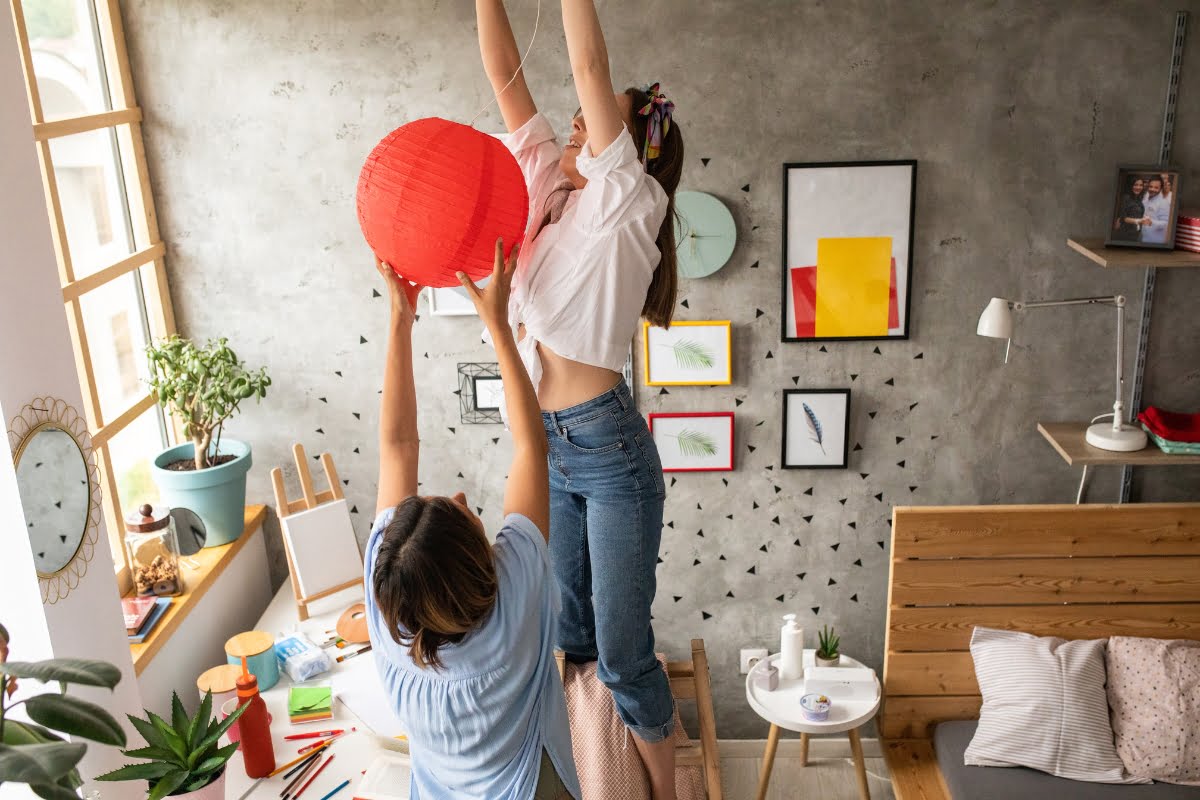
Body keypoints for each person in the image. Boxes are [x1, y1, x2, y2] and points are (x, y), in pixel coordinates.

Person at [477, 2, 685, 797]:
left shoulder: (628, 201)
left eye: (590, 130)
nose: (573, 133)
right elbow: (504, 74)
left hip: (610, 455)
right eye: (572, 127)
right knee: (569, 637)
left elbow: (591, 68)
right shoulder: (547, 194)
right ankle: (596, 778)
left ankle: (669, 792)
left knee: (624, 651)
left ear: (629, 149)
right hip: (551, 446)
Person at [364, 242, 581, 800]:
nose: (460, 493)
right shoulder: (514, 596)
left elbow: (396, 447)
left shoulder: (387, 595)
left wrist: (400, 318)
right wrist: (500, 327)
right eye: (463, 510)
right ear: (481, 562)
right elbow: (533, 447)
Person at [1140, 175, 1172, 244]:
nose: (1152, 189)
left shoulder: (1163, 203)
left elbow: (1166, 223)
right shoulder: (1145, 199)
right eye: (1151, 186)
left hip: (1155, 241)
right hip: (1142, 238)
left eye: (1156, 187)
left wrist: (1152, 222)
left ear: (1160, 189)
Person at [1113, 176, 1145, 242]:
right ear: (1131, 185)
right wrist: (1138, 221)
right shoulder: (1126, 198)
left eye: (1141, 185)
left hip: (1135, 234)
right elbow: (1123, 218)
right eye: (1136, 185)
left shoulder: (1139, 198)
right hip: (1125, 234)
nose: (1138, 187)